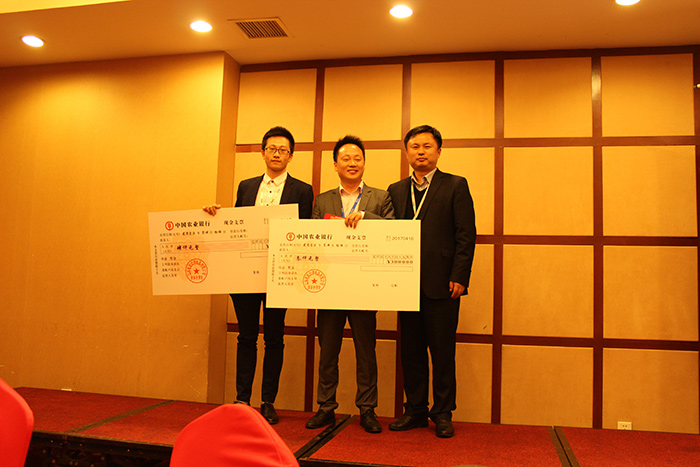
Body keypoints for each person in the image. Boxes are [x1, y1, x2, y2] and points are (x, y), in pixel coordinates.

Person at [203, 126, 314, 425]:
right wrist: (215, 215)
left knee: (275, 338)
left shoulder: (303, 190)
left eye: (283, 150)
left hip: (280, 275)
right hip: (245, 275)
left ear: (291, 156)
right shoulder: (246, 186)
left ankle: (268, 401)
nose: (277, 154)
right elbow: (237, 226)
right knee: (246, 337)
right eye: (272, 149)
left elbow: (303, 233)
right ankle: (242, 399)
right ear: (263, 152)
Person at [387, 125, 476, 438]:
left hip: (442, 284)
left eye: (427, 146)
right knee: (411, 352)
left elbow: (466, 234)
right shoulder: (396, 190)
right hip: (405, 284)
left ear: (439, 150)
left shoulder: (455, 185)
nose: (421, 152)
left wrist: (459, 276)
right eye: (414, 146)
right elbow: (385, 232)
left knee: (442, 352)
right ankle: (415, 410)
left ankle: (442, 413)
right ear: (406, 152)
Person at [305, 135, 394, 433]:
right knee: (327, 351)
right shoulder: (322, 200)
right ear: (335, 164)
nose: (352, 163)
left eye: (357, 158)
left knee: (366, 352)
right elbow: (312, 239)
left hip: (364, 287)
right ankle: (325, 407)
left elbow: (394, 230)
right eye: (346, 158)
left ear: (364, 163)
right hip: (330, 287)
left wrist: (366, 217)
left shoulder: (381, 197)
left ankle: (367, 409)